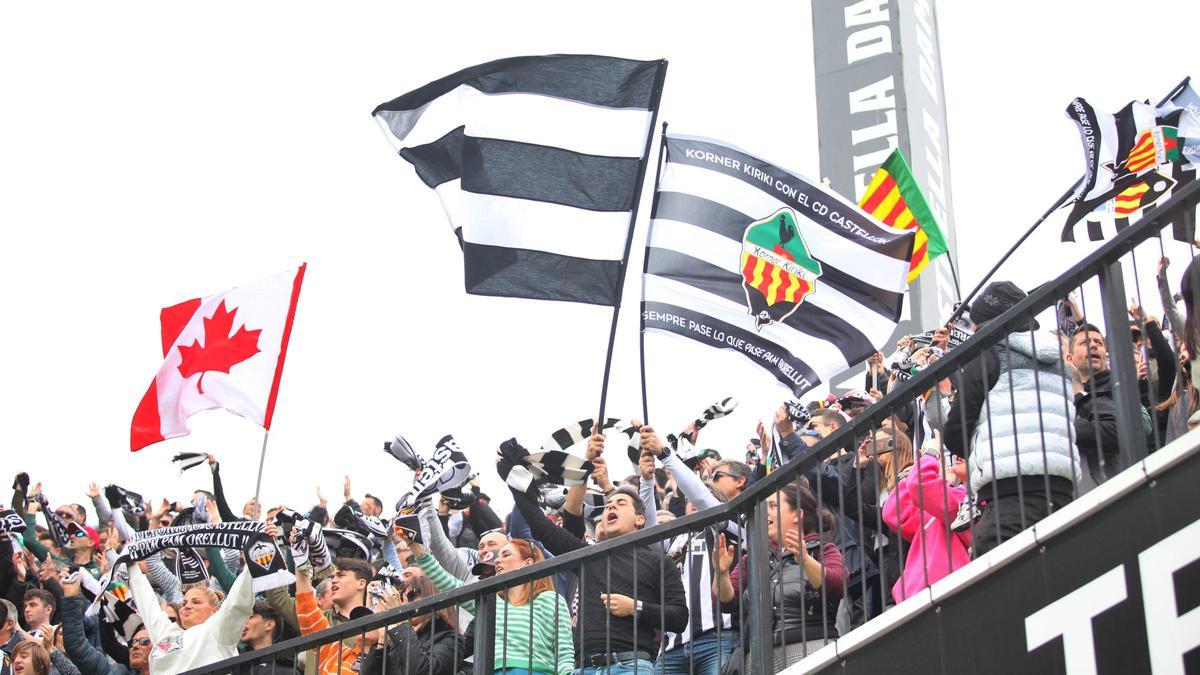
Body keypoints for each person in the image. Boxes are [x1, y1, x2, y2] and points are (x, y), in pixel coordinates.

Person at [501, 438, 689, 675]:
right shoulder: (587, 555)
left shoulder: (657, 561)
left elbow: (680, 617)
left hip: (631, 666)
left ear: (639, 519)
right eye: (608, 505)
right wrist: (516, 480)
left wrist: (636, 607)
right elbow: (541, 528)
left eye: (620, 504)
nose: (611, 508)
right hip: (584, 668)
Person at [945, 281, 1080, 556]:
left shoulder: (988, 355)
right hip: (1064, 492)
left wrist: (974, 447)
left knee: (1004, 590)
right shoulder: (1059, 362)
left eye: (976, 325)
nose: (973, 332)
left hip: (1008, 499)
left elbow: (955, 431)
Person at [639, 424, 743, 675]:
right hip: (672, 646)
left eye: (700, 497)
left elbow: (704, 501)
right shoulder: (675, 540)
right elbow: (647, 529)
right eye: (689, 501)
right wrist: (646, 479)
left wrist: (666, 454)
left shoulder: (730, 526)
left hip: (717, 636)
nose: (693, 503)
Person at [714, 479, 844, 670]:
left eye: (773, 505)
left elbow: (837, 585)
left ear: (797, 514)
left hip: (808, 649)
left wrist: (806, 560)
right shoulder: (753, 557)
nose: (765, 512)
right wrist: (721, 573)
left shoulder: (822, 550)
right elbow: (725, 602)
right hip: (758, 658)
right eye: (764, 507)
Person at [412, 538, 572, 674]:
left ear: (528, 562)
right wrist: (419, 551)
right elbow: (448, 583)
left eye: (506, 554)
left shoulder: (549, 598)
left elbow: (564, 652)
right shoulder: (491, 602)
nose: (497, 560)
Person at [127, 560, 255, 673]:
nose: (187, 606)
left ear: (215, 611)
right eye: (184, 603)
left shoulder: (217, 630)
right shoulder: (167, 634)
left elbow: (237, 601)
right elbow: (148, 605)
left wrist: (253, 555)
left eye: (196, 602)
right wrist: (132, 566)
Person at [882, 446, 972, 603]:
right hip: (917, 596)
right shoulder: (944, 500)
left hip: (946, 590)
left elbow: (921, 485)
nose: (960, 454)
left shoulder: (968, 500)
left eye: (970, 451)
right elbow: (894, 512)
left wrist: (932, 453)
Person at [359, 576, 462, 675]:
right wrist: (382, 642)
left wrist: (400, 623)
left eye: (411, 596)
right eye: (401, 597)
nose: (404, 603)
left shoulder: (451, 638)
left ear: (431, 596)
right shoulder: (394, 642)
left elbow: (423, 671)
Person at [59, 578, 149, 675]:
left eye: (144, 641)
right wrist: (71, 599)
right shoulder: (117, 672)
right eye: (132, 642)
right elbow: (77, 646)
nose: (135, 646)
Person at [237, 603, 298, 675]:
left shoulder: (289, 671)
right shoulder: (234, 663)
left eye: (250, 617)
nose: (242, 622)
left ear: (269, 625)